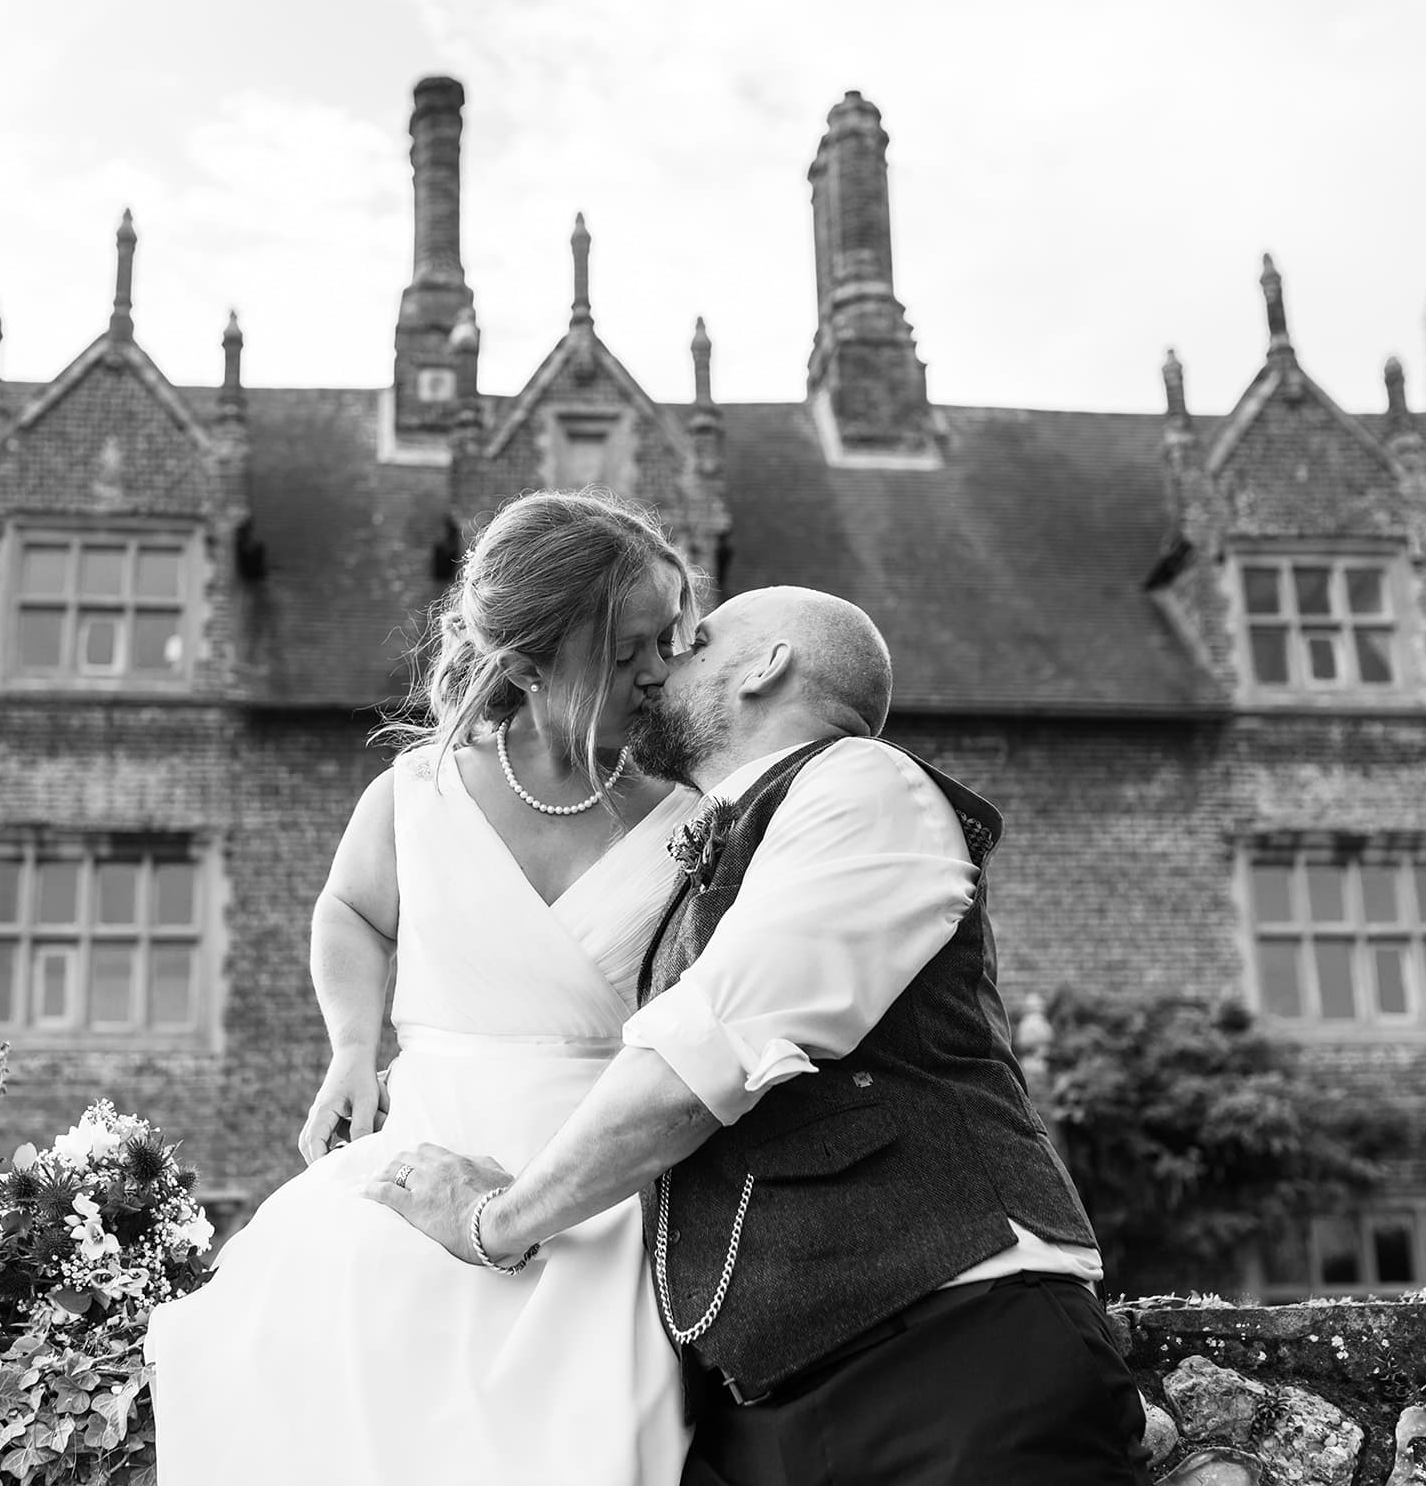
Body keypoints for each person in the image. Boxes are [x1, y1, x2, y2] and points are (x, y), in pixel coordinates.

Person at [368, 586, 1153, 1485]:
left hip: (956, 1356)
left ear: (765, 664)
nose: (657, 667)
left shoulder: (865, 782)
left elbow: (705, 1051)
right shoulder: (721, 843)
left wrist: (493, 1222)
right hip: (767, 1407)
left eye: (690, 644)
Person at [145, 490, 703, 1485]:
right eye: (631, 649)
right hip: (424, 1156)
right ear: (533, 656)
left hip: (602, 1189)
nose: (663, 672)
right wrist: (352, 1052)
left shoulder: (687, 822)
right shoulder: (416, 790)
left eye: (671, 641)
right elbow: (351, 916)